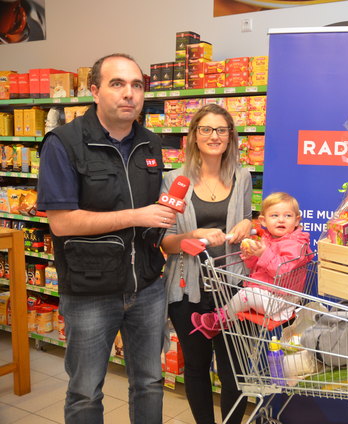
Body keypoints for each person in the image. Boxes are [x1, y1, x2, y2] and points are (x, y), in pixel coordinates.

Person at [36, 53, 177, 423]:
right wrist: (137, 216)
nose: (129, 94)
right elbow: (62, 223)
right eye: (117, 84)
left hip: (146, 287)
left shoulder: (150, 142)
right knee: (85, 392)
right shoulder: (63, 143)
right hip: (89, 291)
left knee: (149, 381)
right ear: (94, 91)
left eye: (137, 85)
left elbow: (151, 217)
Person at [160, 103, 253, 424]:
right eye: (206, 129)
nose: (214, 136)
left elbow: (244, 220)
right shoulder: (173, 180)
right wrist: (195, 234)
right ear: (194, 137)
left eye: (221, 130)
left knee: (234, 372)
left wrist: (248, 227)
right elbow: (166, 242)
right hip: (188, 291)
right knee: (197, 369)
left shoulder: (242, 177)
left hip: (233, 290)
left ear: (230, 137)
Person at [191, 192, 313, 339]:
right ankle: (222, 317)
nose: (281, 220)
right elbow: (257, 268)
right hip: (268, 293)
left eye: (288, 216)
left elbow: (283, 272)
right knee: (247, 292)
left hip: (282, 300)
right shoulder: (267, 239)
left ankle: (221, 320)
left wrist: (263, 254)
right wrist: (250, 256)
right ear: (263, 220)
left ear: (296, 220)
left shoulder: (295, 244)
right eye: (274, 216)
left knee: (246, 294)